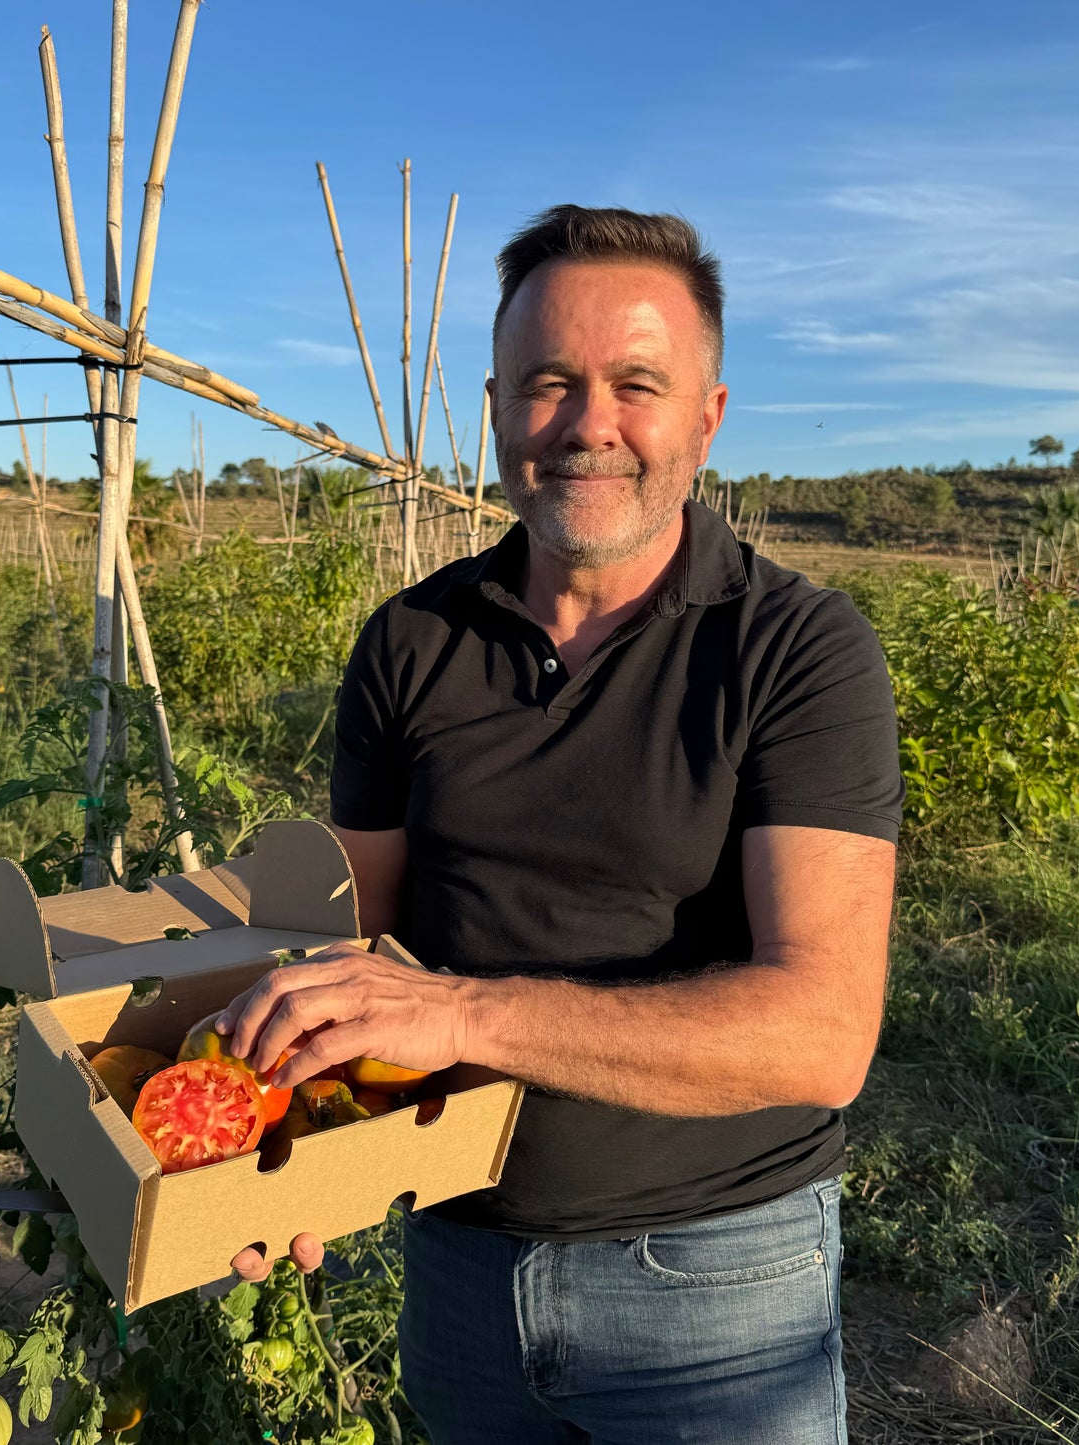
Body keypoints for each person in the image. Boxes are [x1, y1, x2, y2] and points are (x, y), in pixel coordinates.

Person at [218, 205, 903, 1444]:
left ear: (706, 414)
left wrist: (467, 1014)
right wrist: (281, 1132)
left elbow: (821, 1033)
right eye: (548, 381)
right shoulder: (411, 642)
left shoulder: (795, 649)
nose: (588, 421)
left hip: (713, 1287)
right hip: (457, 1256)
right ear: (495, 404)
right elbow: (356, 951)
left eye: (635, 382)